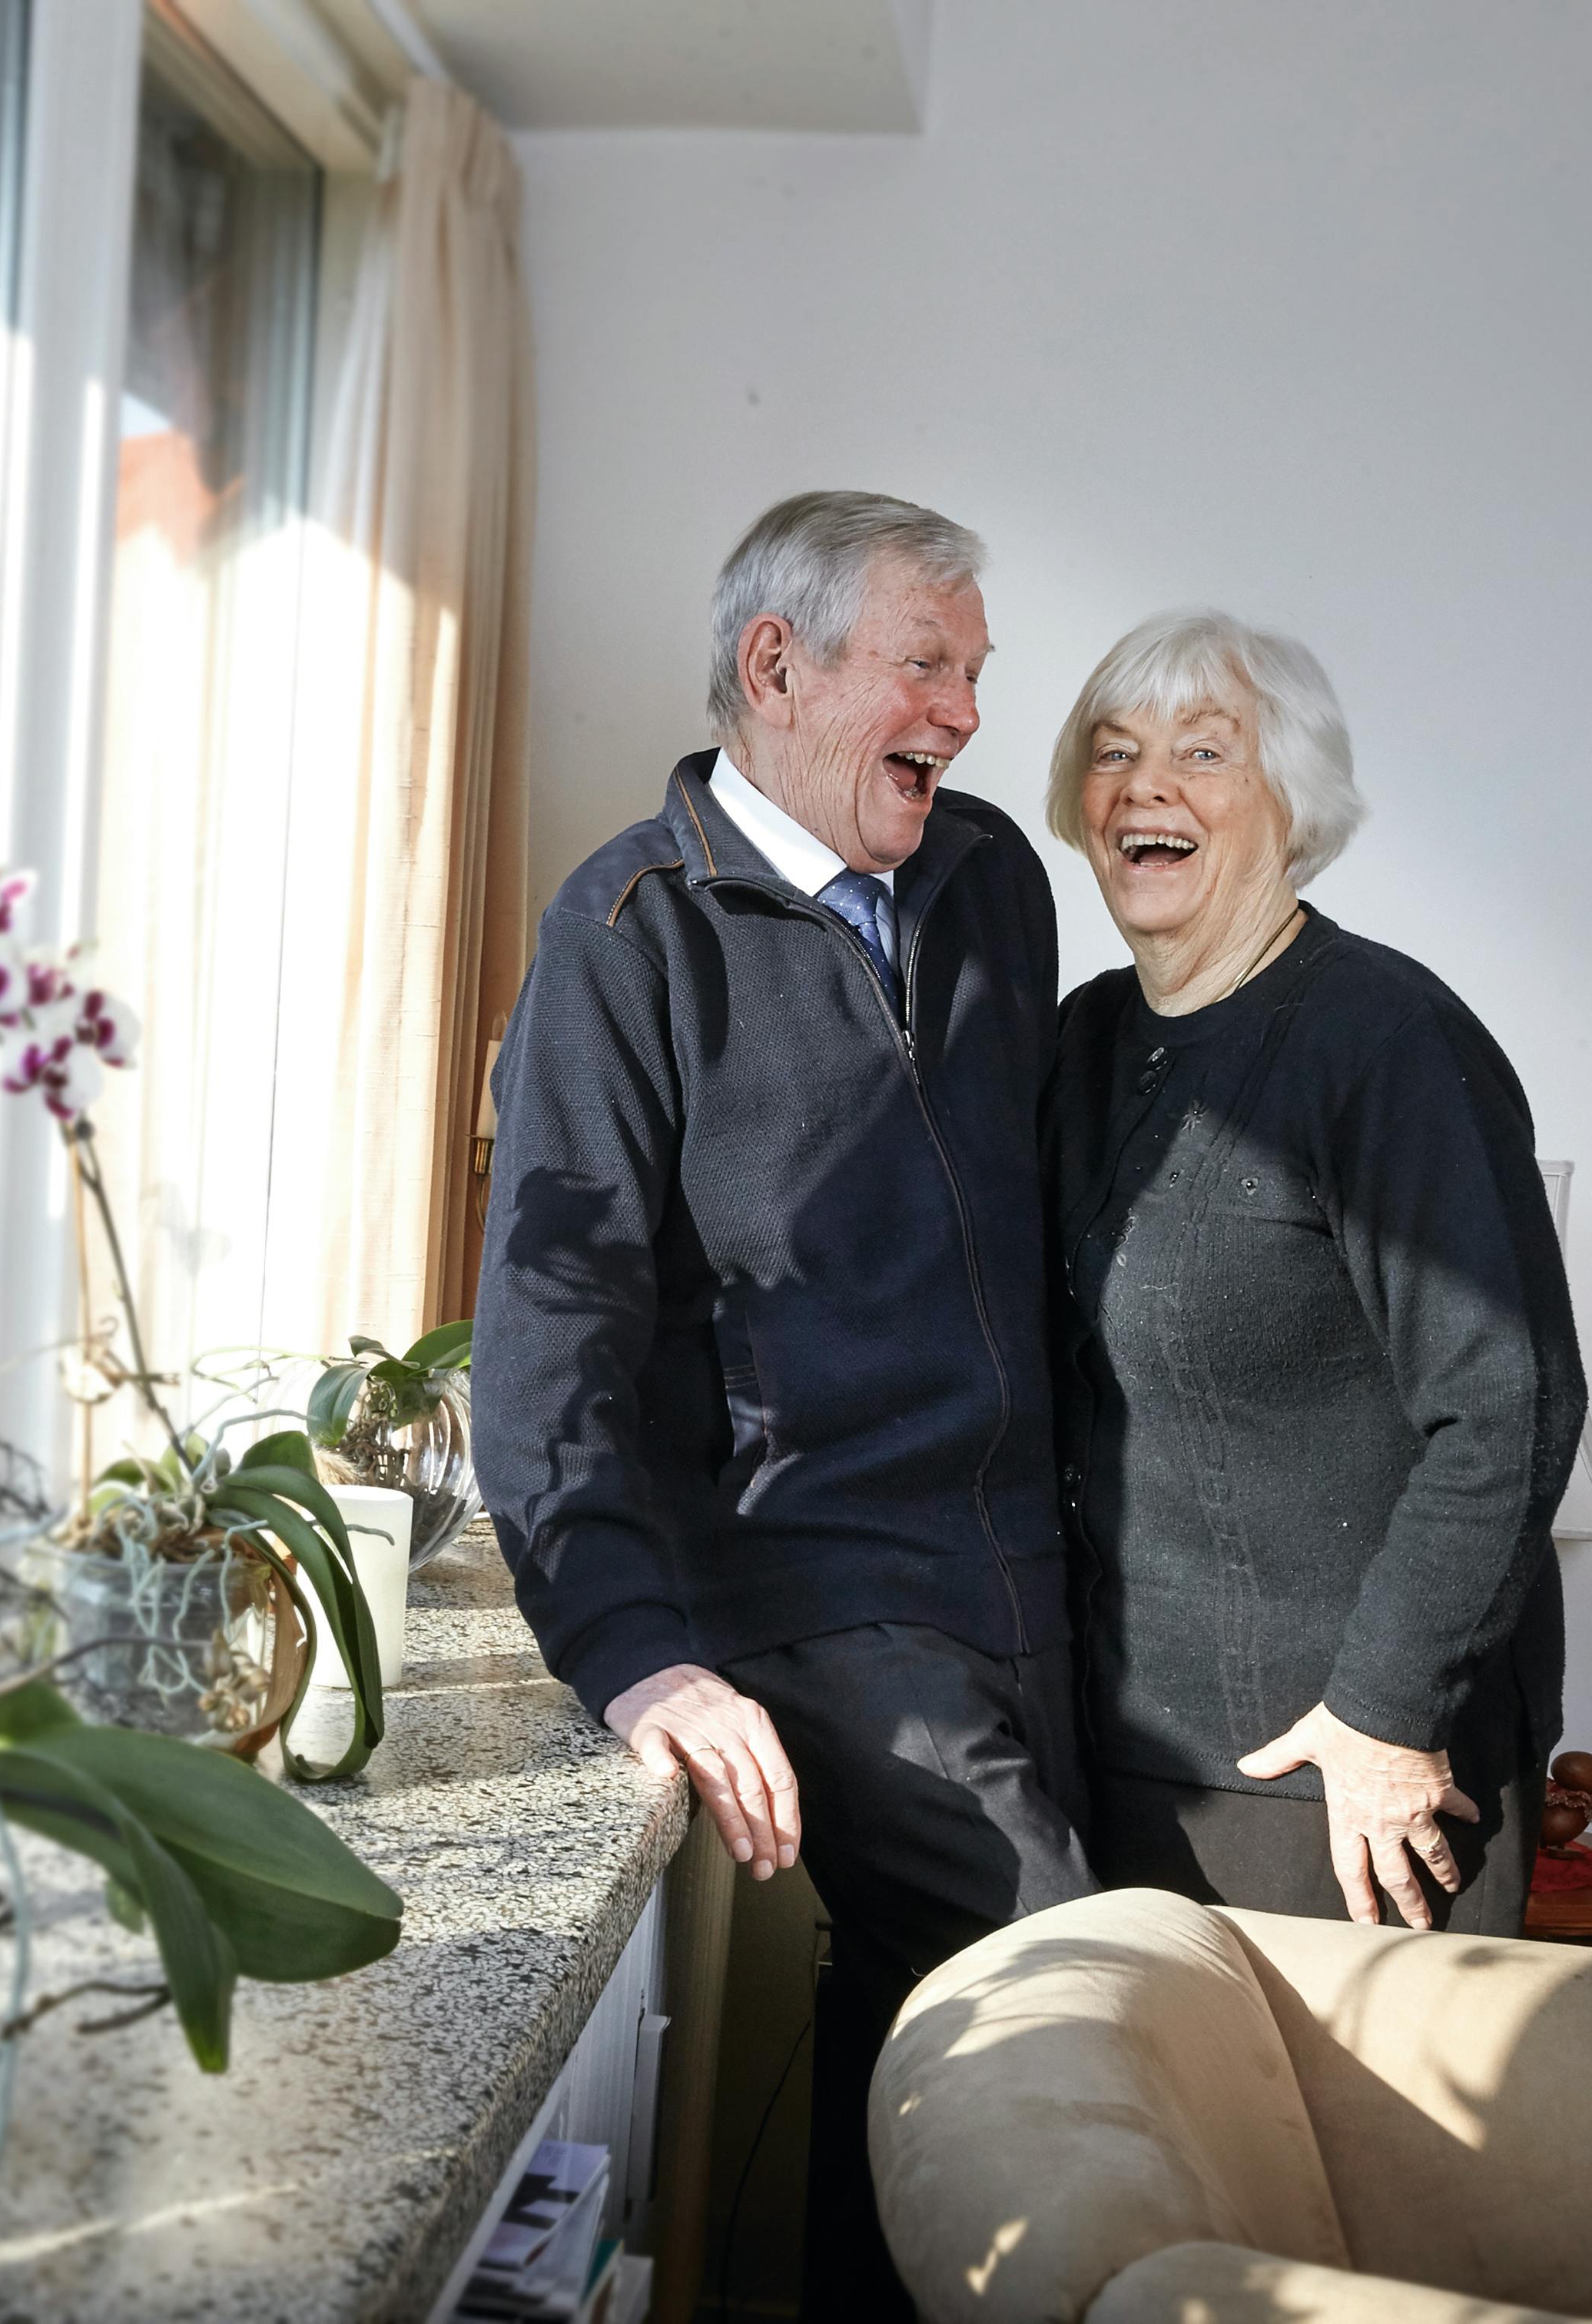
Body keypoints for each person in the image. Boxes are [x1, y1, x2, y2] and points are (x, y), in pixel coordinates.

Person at [473, 490, 1091, 2319]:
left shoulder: (991, 878)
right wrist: (631, 1649)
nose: (968, 713)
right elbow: (551, 1326)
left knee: (931, 2041)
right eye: (927, 665)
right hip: (808, 1578)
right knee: (1046, 1986)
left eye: (975, 673)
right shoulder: (628, 935)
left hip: (1025, 1561)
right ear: (777, 667)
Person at [1043, 609, 1584, 1937]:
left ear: (1293, 802)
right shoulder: (1082, 1041)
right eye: (1113, 751)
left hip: (1347, 1771)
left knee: (1353, 2143)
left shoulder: (1386, 1040)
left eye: (1203, 751)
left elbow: (1509, 1403)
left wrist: (1388, 1716)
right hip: (1129, 1741)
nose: (1144, 785)